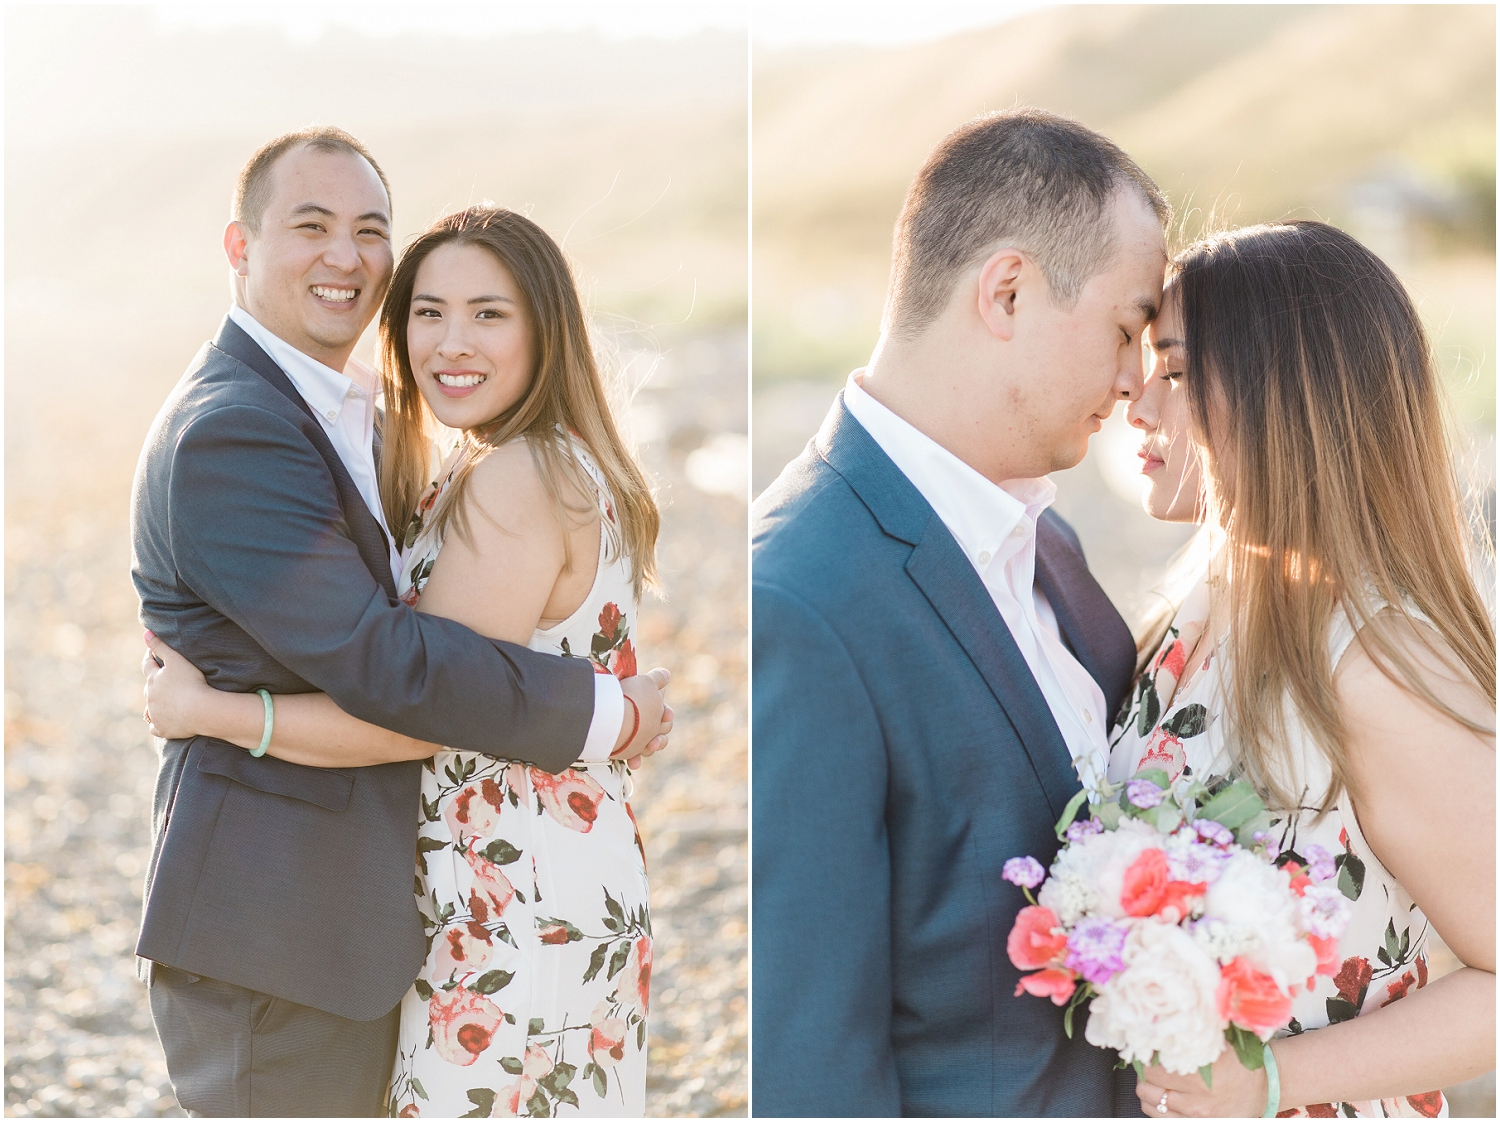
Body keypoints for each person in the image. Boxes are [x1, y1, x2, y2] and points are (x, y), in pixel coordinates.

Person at [130, 129, 669, 1118]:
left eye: (370, 230)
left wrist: (209, 709)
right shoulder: (236, 428)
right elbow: (397, 672)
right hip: (283, 931)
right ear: (239, 247)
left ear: (544, 330)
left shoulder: (445, 446)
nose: (346, 255)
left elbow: (411, 681)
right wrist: (602, 712)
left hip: (474, 902)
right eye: (312, 225)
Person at [751, 107, 1168, 1115]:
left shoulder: (1047, 541)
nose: (1134, 379)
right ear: (1009, 290)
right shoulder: (796, 600)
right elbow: (810, 1065)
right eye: (1125, 329)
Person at [1111, 221, 1494, 1117]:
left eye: (1172, 372)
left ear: (1279, 393)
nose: (1136, 403)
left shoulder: (1379, 666)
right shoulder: (1190, 608)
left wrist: (1274, 1082)